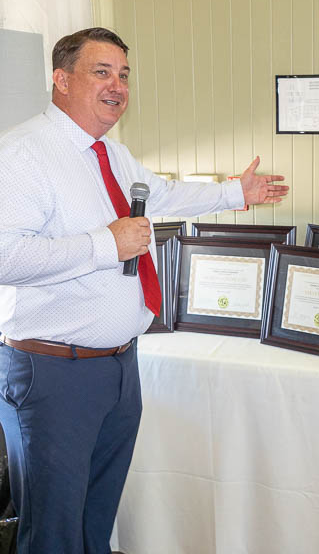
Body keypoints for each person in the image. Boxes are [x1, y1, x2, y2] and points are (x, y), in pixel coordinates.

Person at [0, 27, 288, 554]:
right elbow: (6, 257)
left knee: (95, 518)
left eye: (124, 74)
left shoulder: (109, 151)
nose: (118, 85)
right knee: (54, 532)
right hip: (54, 375)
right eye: (101, 72)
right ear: (61, 80)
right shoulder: (22, 155)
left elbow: (161, 192)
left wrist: (234, 192)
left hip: (117, 367)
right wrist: (104, 244)